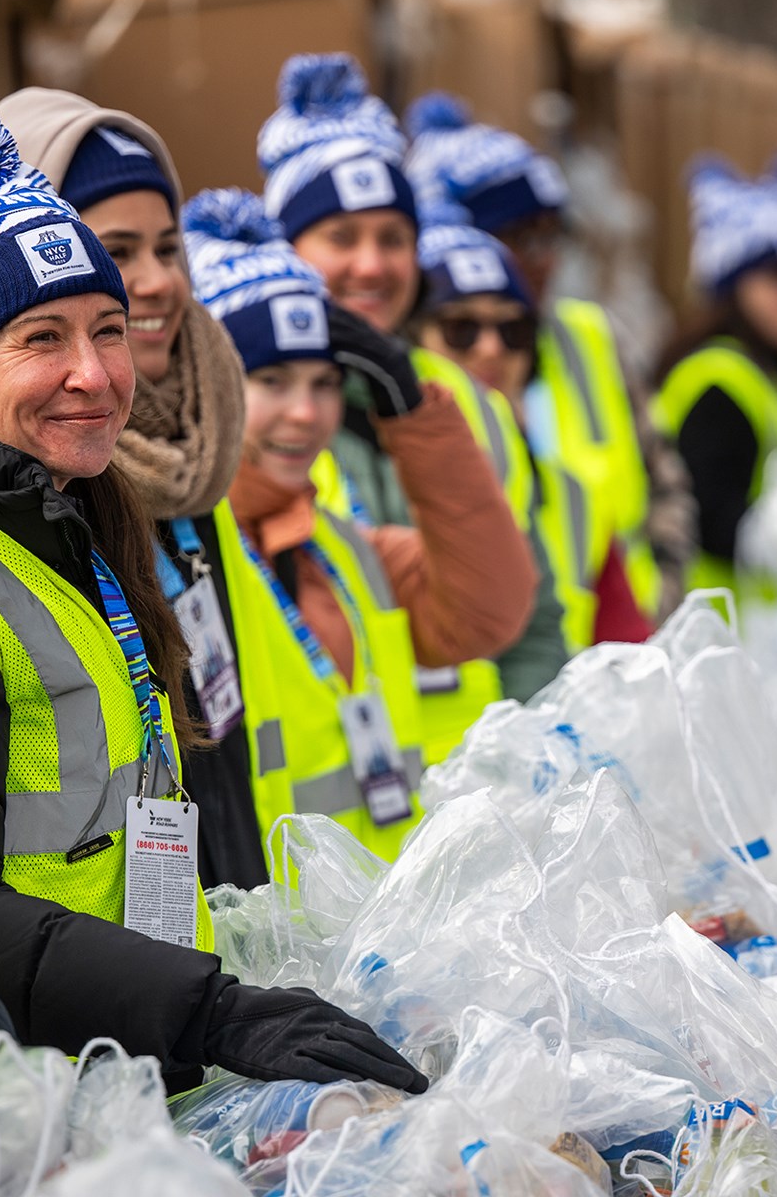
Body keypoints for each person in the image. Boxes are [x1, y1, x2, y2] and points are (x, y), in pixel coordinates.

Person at [0, 100, 426, 1095]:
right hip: (29, 1103)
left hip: (124, 1075)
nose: (92, 374)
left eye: (107, 330)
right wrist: (209, 1009)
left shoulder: (68, 509)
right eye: (42, 337)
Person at [183, 188, 533, 862]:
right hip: (259, 958)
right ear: (209, 386)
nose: (306, 414)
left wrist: (407, 398)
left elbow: (489, 609)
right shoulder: (175, 554)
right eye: (273, 381)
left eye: (323, 383)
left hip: (371, 942)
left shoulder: (337, 548)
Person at [0, 86, 268, 889]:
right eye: (118, 249)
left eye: (169, 248)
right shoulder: (40, 467)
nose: (155, 282)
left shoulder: (203, 441)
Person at [257, 53, 559, 758]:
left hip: (484, 791)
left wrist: (545, 766)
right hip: (329, 811)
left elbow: (534, 615)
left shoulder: (461, 401)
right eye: (341, 237)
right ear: (285, 248)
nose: (372, 265)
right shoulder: (248, 406)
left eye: (393, 238)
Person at [402, 91, 690, 631]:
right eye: (520, 237)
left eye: (553, 234)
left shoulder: (589, 339)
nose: (546, 257)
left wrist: (661, 620)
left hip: (627, 651)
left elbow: (666, 488)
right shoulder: (411, 377)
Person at [407, 214, 623, 651]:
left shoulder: (569, 492)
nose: (492, 349)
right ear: (411, 339)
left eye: (514, 330)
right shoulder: (380, 473)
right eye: (461, 329)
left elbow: (624, 638)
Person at [652, 163, 777, 608]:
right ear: (733, 286)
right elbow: (707, 519)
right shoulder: (718, 380)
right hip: (719, 635)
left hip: (760, 625)